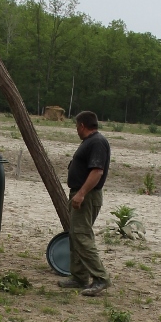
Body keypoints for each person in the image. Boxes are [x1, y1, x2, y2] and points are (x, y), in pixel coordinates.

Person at [59, 110, 111, 297]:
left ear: (82, 125)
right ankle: (79, 277)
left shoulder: (97, 142)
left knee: (82, 236)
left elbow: (97, 171)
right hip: (81, 194)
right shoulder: (91, 142)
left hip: (87, 196)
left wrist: (81, 194)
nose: (76, 130)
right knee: (75, 235)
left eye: (76, 126)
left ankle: (100, 278)